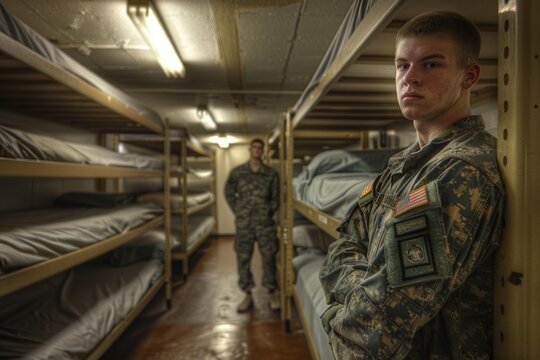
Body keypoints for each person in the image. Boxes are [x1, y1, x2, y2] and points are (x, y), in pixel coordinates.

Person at [319, 11, 505, 359]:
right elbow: (341, 248)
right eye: (402, 66)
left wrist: (332, 314)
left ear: (470, 75)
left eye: (430, 65)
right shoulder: (401, 165)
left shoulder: (462, 170)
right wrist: (362, 288)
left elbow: (376, 328)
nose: (410, 78)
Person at [225, 138, 280, 312]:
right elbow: (229, 193)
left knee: (269, 257)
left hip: (265, 224)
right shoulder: (238, 172)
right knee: (243, 258)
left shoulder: (271, 174)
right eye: (254, 147)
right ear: (249, 149)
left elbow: (276, 197)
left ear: (262, 151)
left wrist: (267, 212)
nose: (257, 150)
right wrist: (240, 211)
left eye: (260, 148)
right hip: (244, 224)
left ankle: (271, 292)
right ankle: (247, 294)